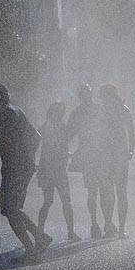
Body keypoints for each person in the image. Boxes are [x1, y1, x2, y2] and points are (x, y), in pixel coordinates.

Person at [0, 83, 51, 259]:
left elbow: (5, 144)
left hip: (15, 169)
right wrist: (28, 159)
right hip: (18, 168)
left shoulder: (5, 115)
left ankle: (31, 249)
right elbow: (36, 138)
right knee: (10, 208)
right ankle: (39, 237)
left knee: (10, 209)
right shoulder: (14, 111)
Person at [36, 101, 80, 243]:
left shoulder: (45, 127)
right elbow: (58, 148)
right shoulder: (61, 127)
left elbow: (50, 147)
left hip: (47, 170)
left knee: (48, 202)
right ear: (57, 113)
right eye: (61, 112)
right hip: (57, 171)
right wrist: (69, 154)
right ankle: (71, 233)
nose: (62, 114)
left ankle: (40, 232)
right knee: (66, 202)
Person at [68, 84, 106, 238]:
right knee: (99, 190)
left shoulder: (78, 112)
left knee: (95, 191)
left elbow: (70, 134)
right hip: (96, 155)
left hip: (93, 155)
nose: (87, 96)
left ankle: (97, 223)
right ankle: (99, 223)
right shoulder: (98, 109)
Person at [97, 83, 135, 238]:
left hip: (117, 155)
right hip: (109, 156)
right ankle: (110, 226)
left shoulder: (122, 110)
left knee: (119, 192)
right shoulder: (103, 111)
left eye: (107, 96)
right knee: (109, 192)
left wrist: (130, 150)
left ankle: (120, 227)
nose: (106, 100)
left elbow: (131, 133)